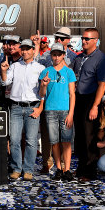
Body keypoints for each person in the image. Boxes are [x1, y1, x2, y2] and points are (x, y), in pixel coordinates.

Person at [1, 39, 45, 181]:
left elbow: (44, 92)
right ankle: (16, 168)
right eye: (23, 49)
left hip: (33, 107)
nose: (25, 51)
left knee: (31, 141)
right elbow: (6, 82)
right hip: (16, 107)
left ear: (33, 50)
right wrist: (3, 71)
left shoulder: (40, 68)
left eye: (28, 49)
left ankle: (28, 170)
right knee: (14, 140)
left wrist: (40, 108)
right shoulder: (14, 66)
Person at [72, 27, 105, 181]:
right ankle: (81, 168)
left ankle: (90, 172)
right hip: (78, 100)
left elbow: (102, 84)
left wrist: (95, 106)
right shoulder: (79, 58)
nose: (84, 41)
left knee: (89, 137)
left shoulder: (101, 59)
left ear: (96, 41)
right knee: (79, 136)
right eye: (83, 38)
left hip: (91, 100)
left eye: (87, 39)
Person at [38, 43, 76, 181]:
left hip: (65, 110)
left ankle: (67, 170)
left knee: (66, 142)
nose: (56, 57)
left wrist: (71, 113)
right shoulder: (45, 71)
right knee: (54, 142)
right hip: (50, 111)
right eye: (54, 54)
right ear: (51, 55)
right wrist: (44, 85)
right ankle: (59, 169)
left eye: (59, 54)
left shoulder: (69, 72)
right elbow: (42, 94)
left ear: (63, 55)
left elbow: (72, 94)